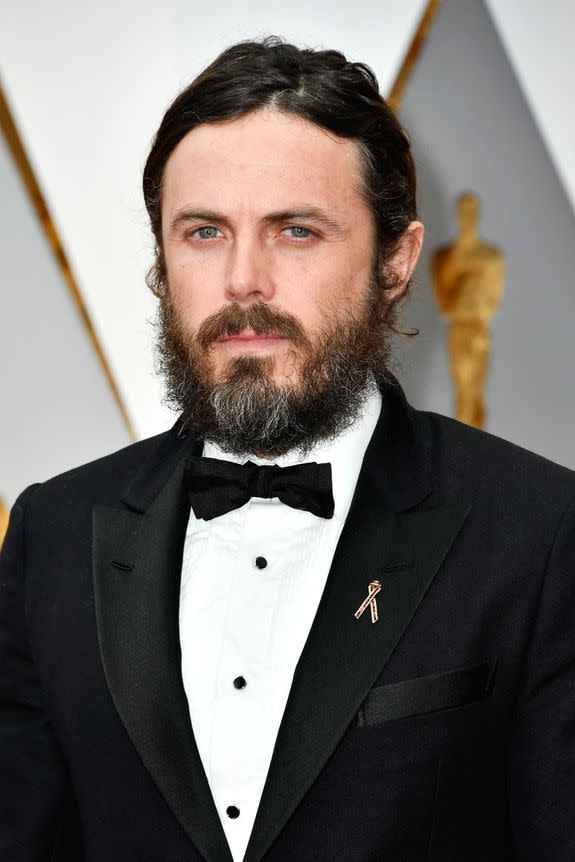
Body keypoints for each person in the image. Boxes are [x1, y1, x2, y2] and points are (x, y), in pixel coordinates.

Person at [1, 35, 575, 862]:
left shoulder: (540, 532)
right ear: (162, 261)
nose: (243, 282)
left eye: (295, 232)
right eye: (203, 232)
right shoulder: (52, 533)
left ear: (395, 262)